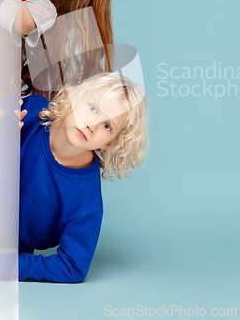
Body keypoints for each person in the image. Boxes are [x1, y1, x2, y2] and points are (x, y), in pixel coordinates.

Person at [19, 72, 148, 283]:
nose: (92, 125)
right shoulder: (30, 112)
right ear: (73, 98)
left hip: (5, 244)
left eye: (107, 126)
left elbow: (73, 267)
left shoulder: (87, 201)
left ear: (109, 143)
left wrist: (8, 265)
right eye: (93, 108)